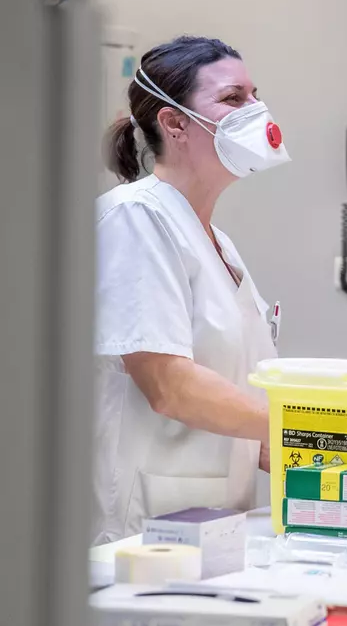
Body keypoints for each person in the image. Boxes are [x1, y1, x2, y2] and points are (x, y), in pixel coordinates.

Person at [93, 36, 291, 543]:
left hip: (219, 520)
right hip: (144, 526)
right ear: (175, 123)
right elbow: (169, 385)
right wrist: (298, 423)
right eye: (233, 98)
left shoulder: (219, 244)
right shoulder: (135, 217)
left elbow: (237, 394)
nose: (256, 111)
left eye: (255, 95)